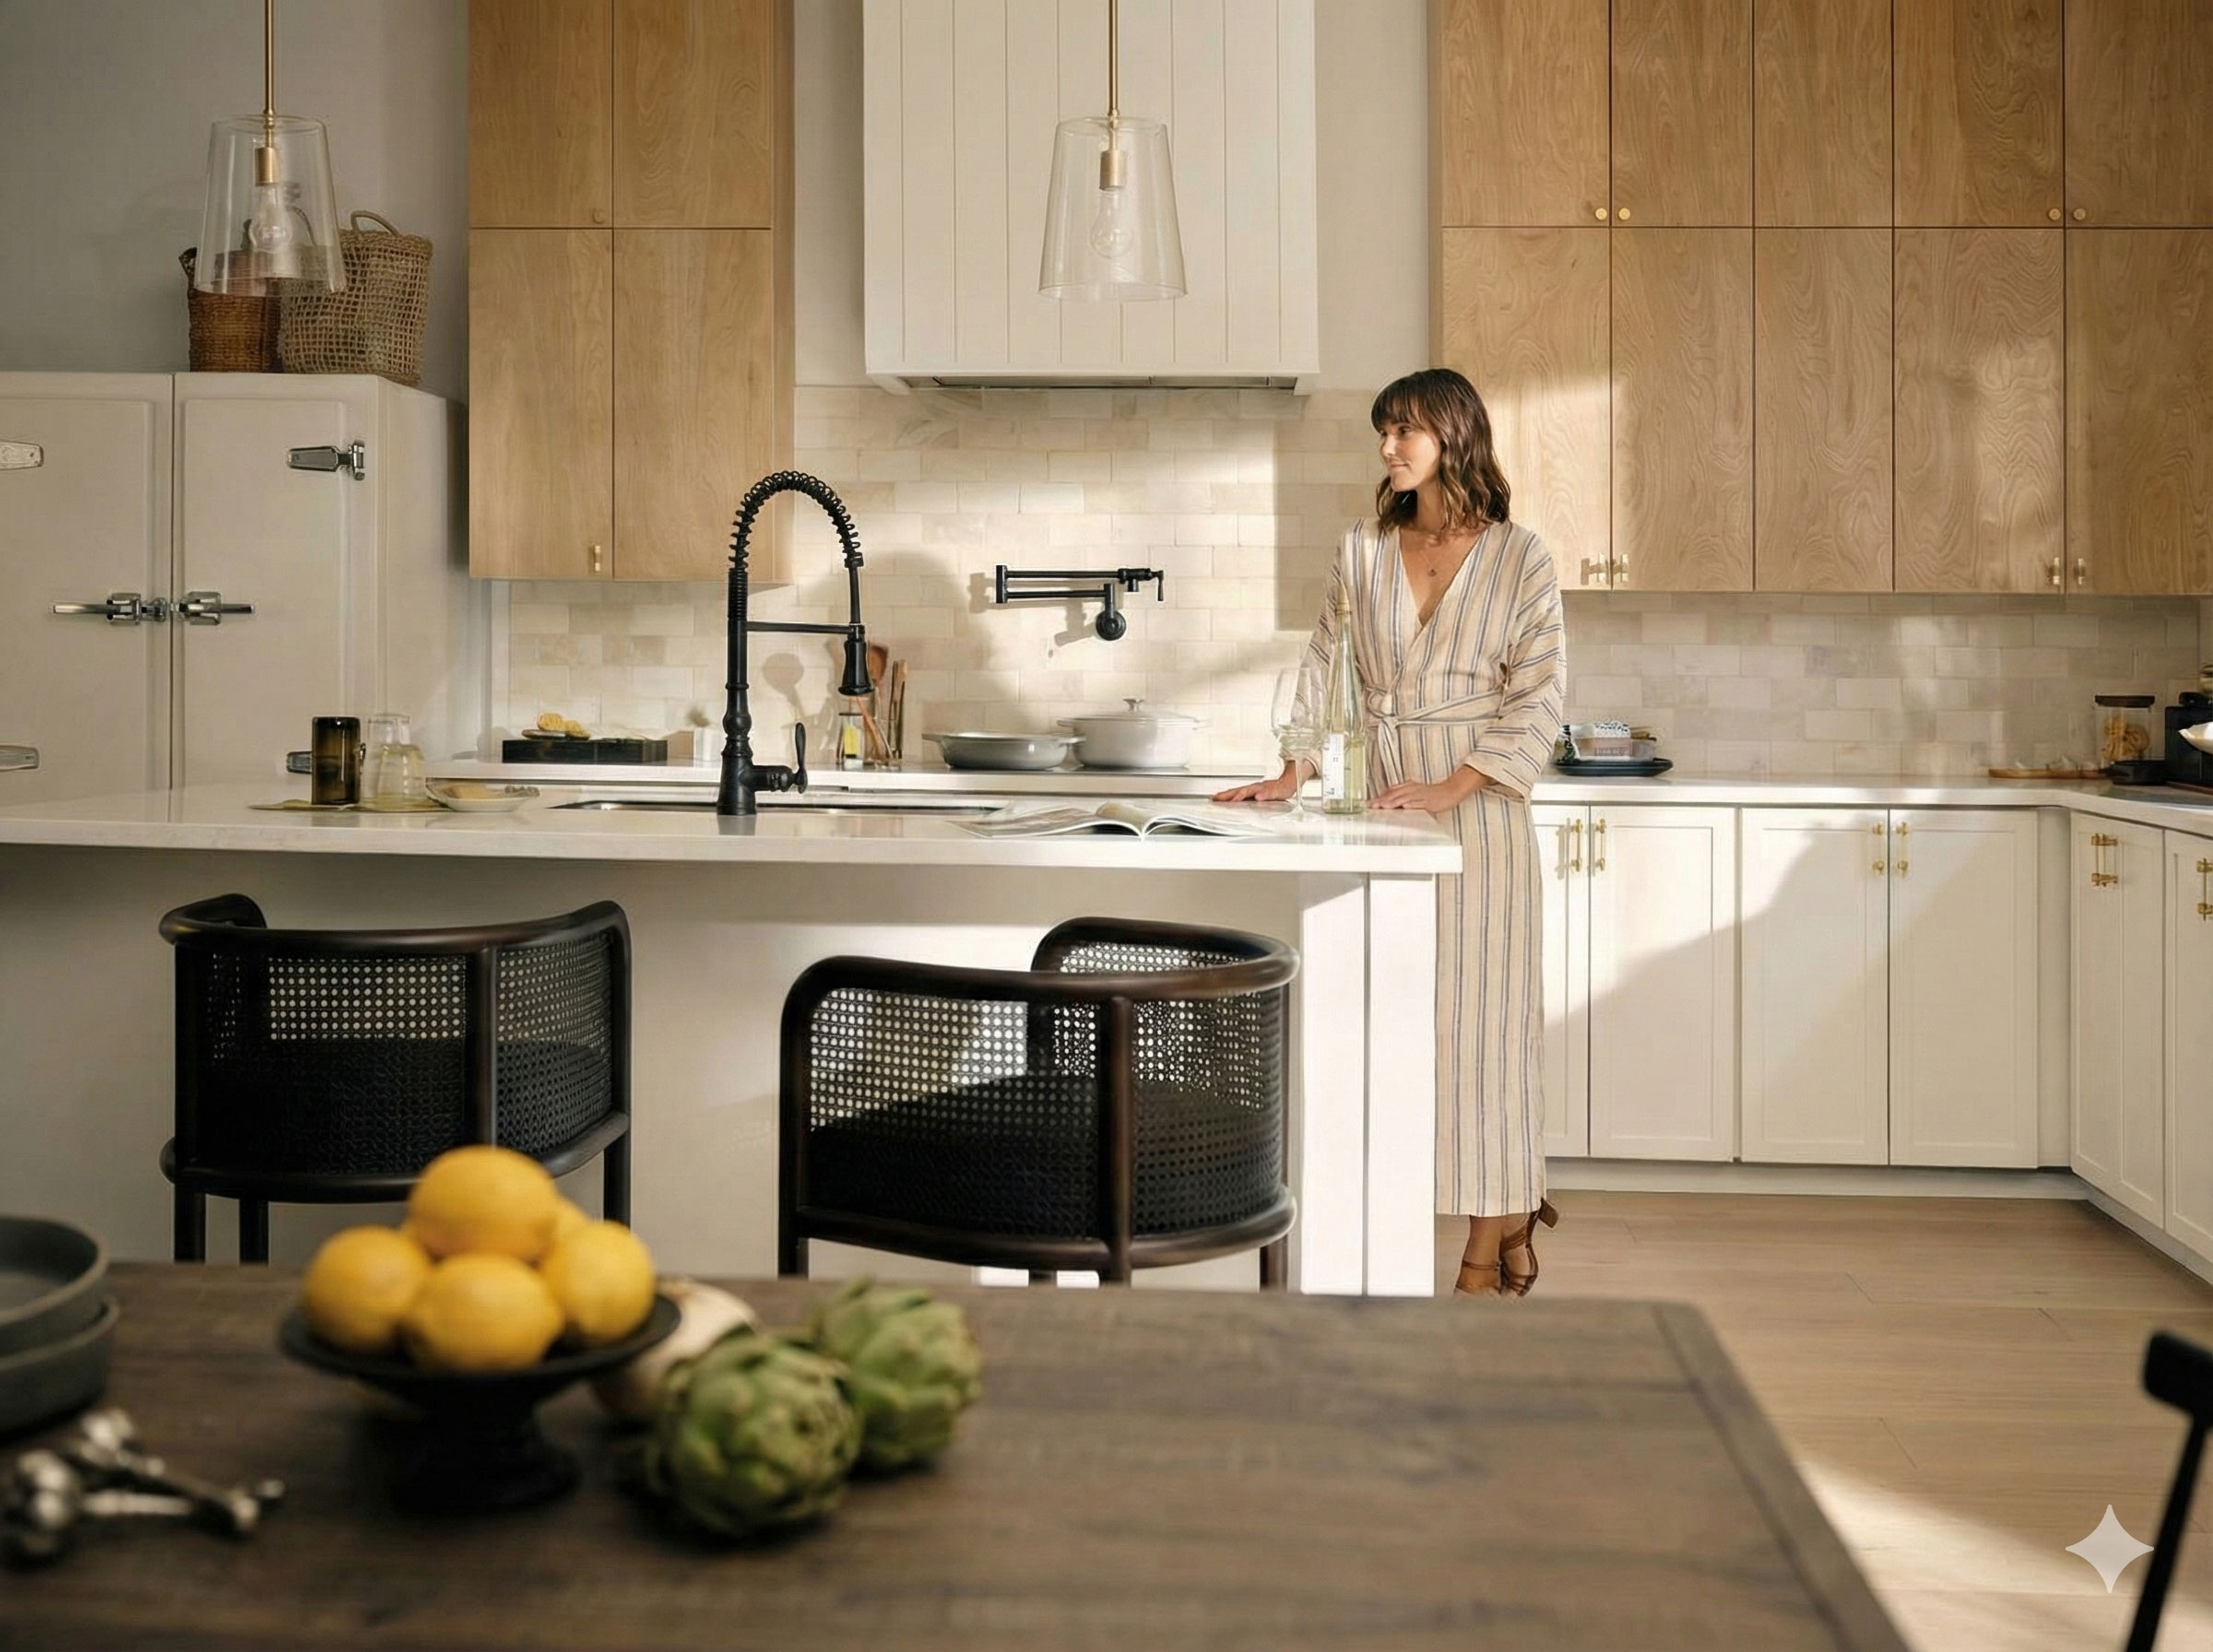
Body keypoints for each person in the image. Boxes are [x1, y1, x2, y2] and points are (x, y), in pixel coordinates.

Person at [1215, 367, 1567, 1296]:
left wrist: (1452, 784)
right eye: (1383, 433)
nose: (1388, 447)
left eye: (1404, 430)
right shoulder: (1361, 552)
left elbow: (1540, 692)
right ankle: (1474, 1216)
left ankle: (1485, 1251)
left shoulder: (1520, 556)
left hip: (1481, 819)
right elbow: (1324, 666)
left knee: (1488, 1040)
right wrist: (1291, 771)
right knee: (1395, 1031)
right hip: (1383, 811)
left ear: (1454, 435)